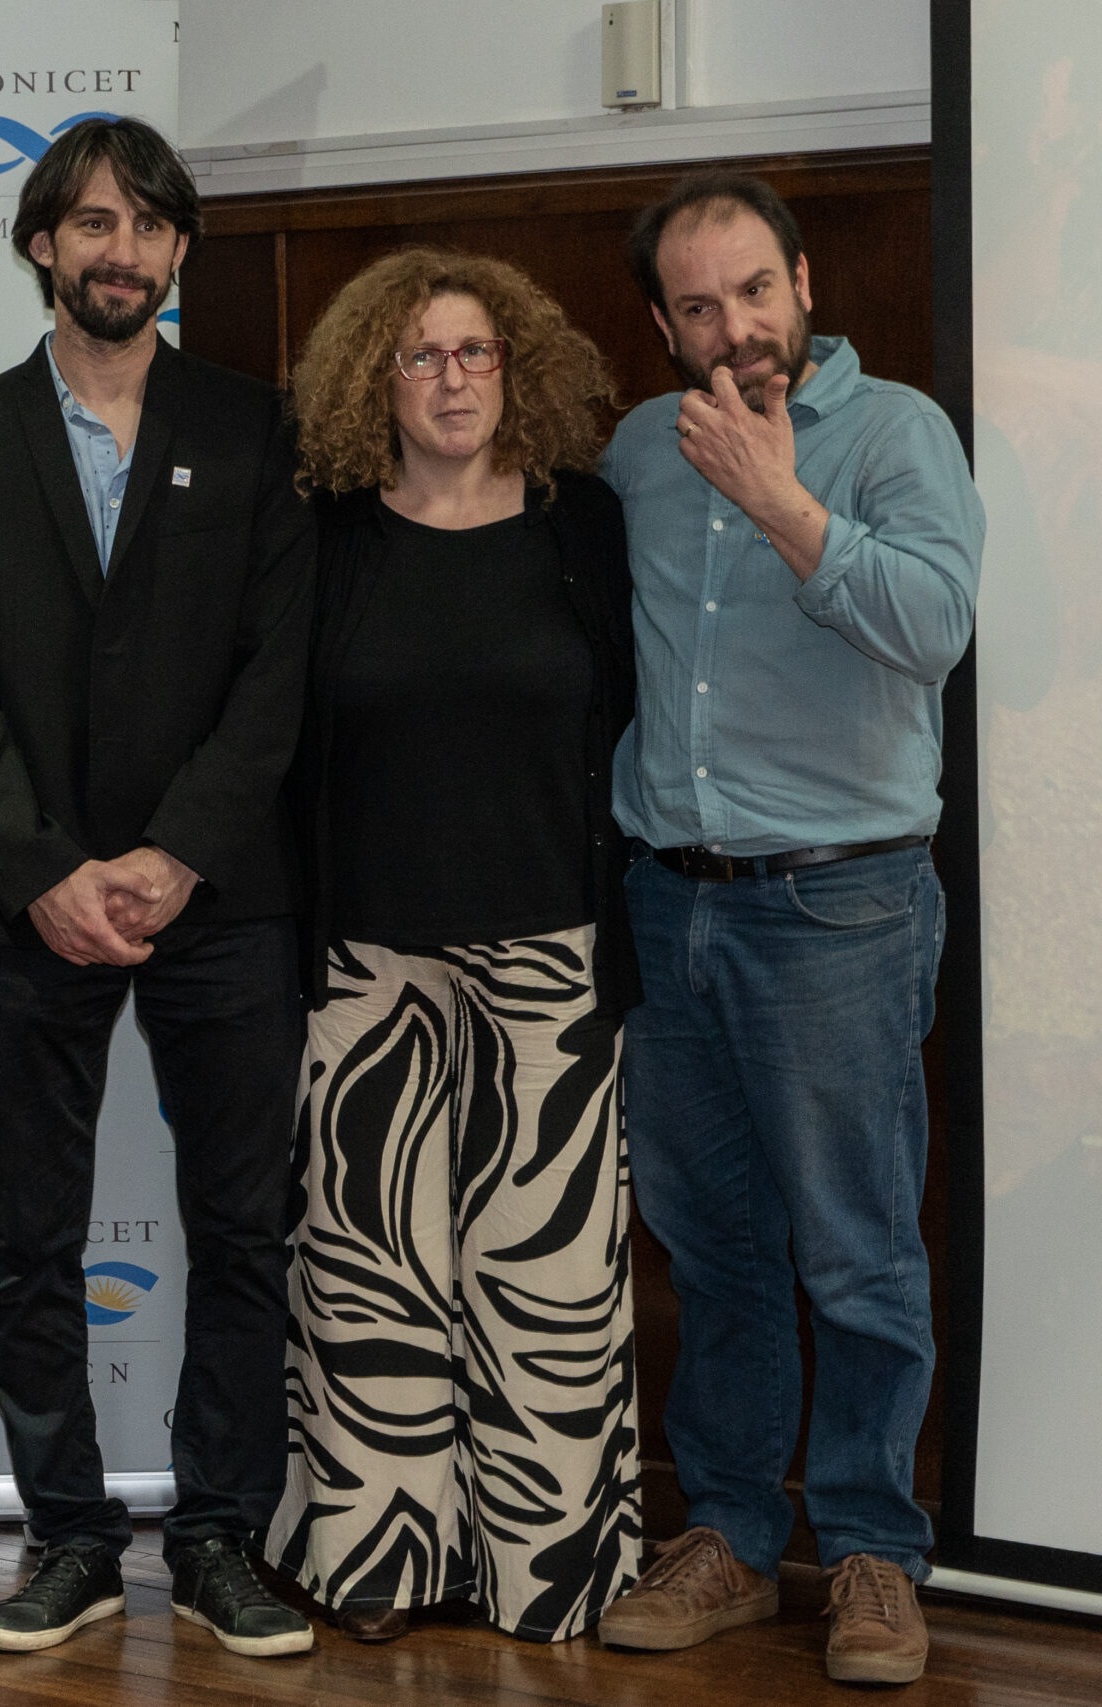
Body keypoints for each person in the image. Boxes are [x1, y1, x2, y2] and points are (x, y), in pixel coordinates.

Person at [0, 116, 315, 1660]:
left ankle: (217, 1536)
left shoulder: (258, 429)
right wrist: (45, 870)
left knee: (243, 1231)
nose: (119, 251)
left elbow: (277, 673)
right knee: (31, 1239)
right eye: (90, 223)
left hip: (226, 897)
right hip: (31, 907)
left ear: (180, 250)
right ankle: (68, 1534)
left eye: (146, 224)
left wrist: (177, 851)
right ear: (41, 246)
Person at [591, 172, 981, 1689]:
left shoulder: (896, 435)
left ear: (805, 282)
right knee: (714, 1247)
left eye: (755, 290)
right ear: (663, 324)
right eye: (699, 306)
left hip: (841, 906)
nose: (735, 327)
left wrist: (781, 500)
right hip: (667, 897)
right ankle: (736, 1538)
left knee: (859, 1251)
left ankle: (875, 1550)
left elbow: (936, 628)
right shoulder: (639, 450)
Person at [262, 246, 642, 1645]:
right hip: (369, 965)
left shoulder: (580, 522)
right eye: (419, 355)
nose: (451, 378)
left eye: (475, 350)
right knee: (372, 1282)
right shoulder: (326, 535)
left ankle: (550, 1573)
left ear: (516, 366)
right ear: (375, 381)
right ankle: (382, 1564)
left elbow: (627, 715)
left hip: (553, 958)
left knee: (551, 1291)